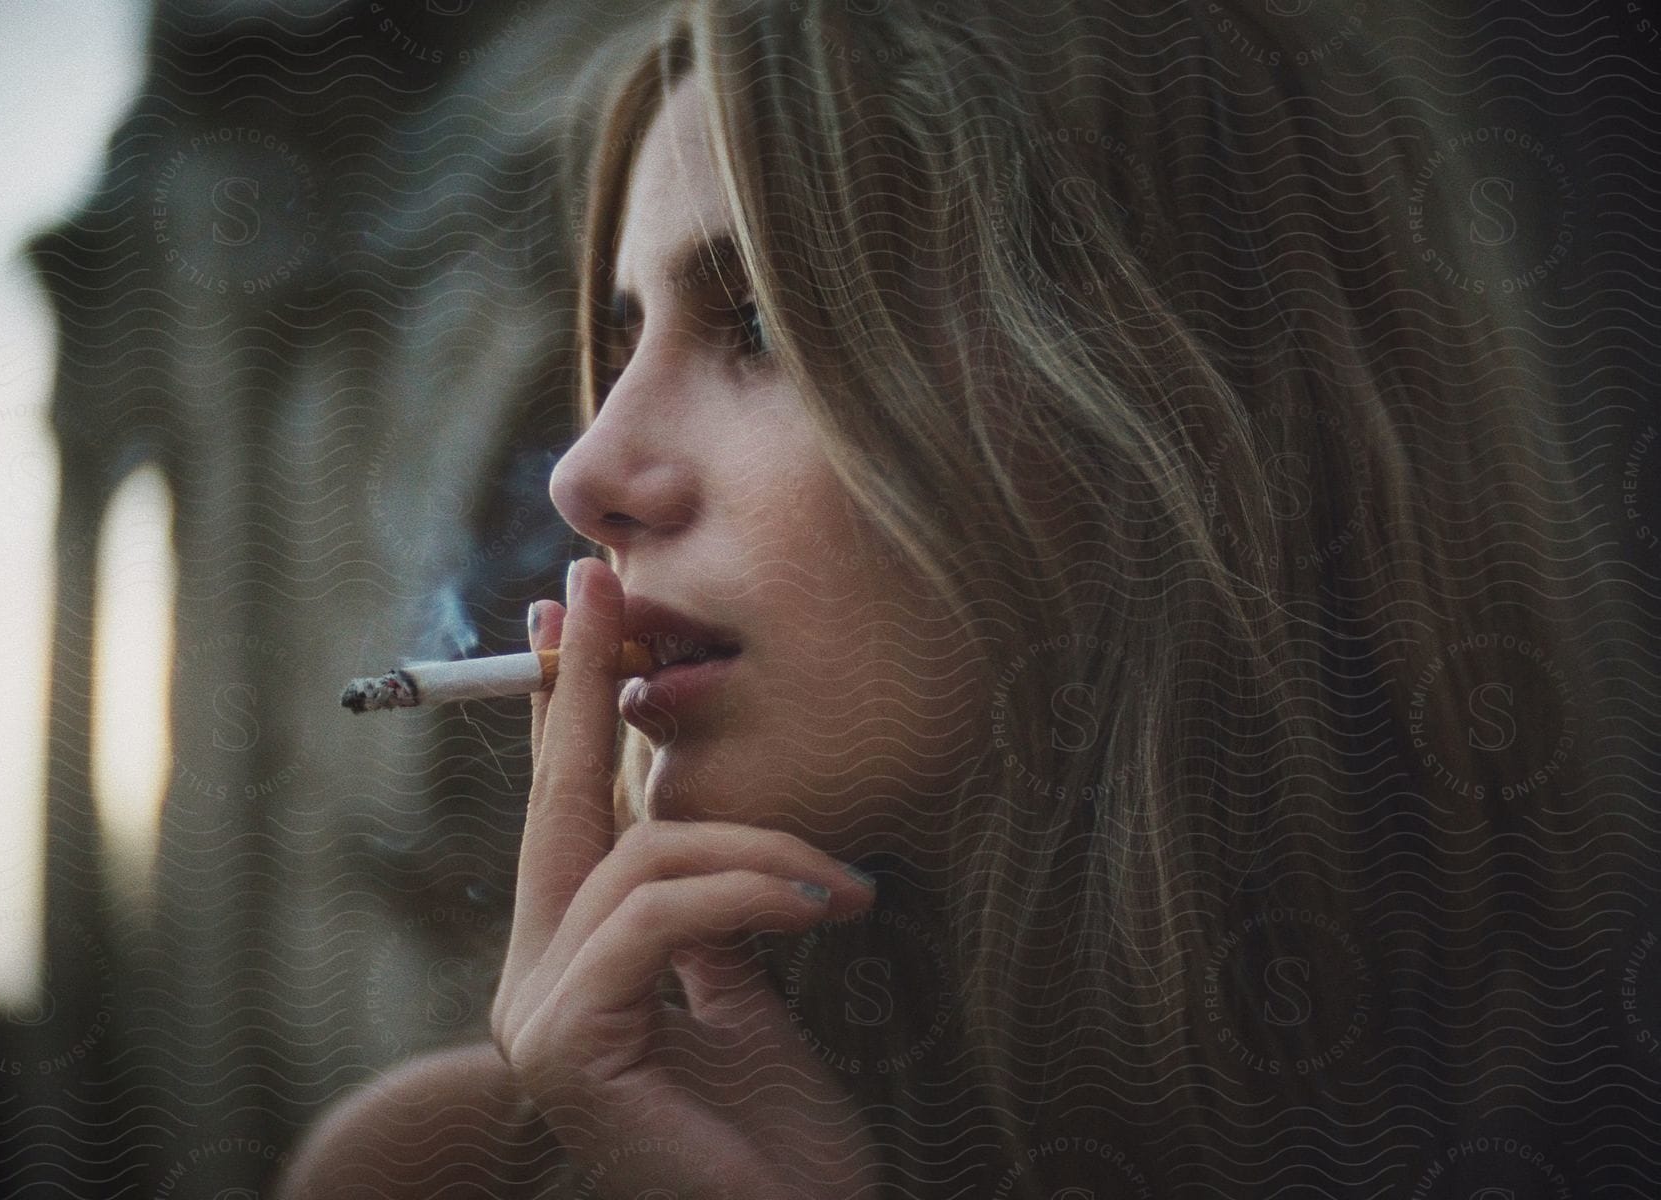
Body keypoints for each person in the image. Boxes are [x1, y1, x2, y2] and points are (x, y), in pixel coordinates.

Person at [282, 1, 1645, 1196]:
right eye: (625, 341)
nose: (587, 472)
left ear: (1169, 401)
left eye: (760, 320)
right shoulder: (439, 1173)